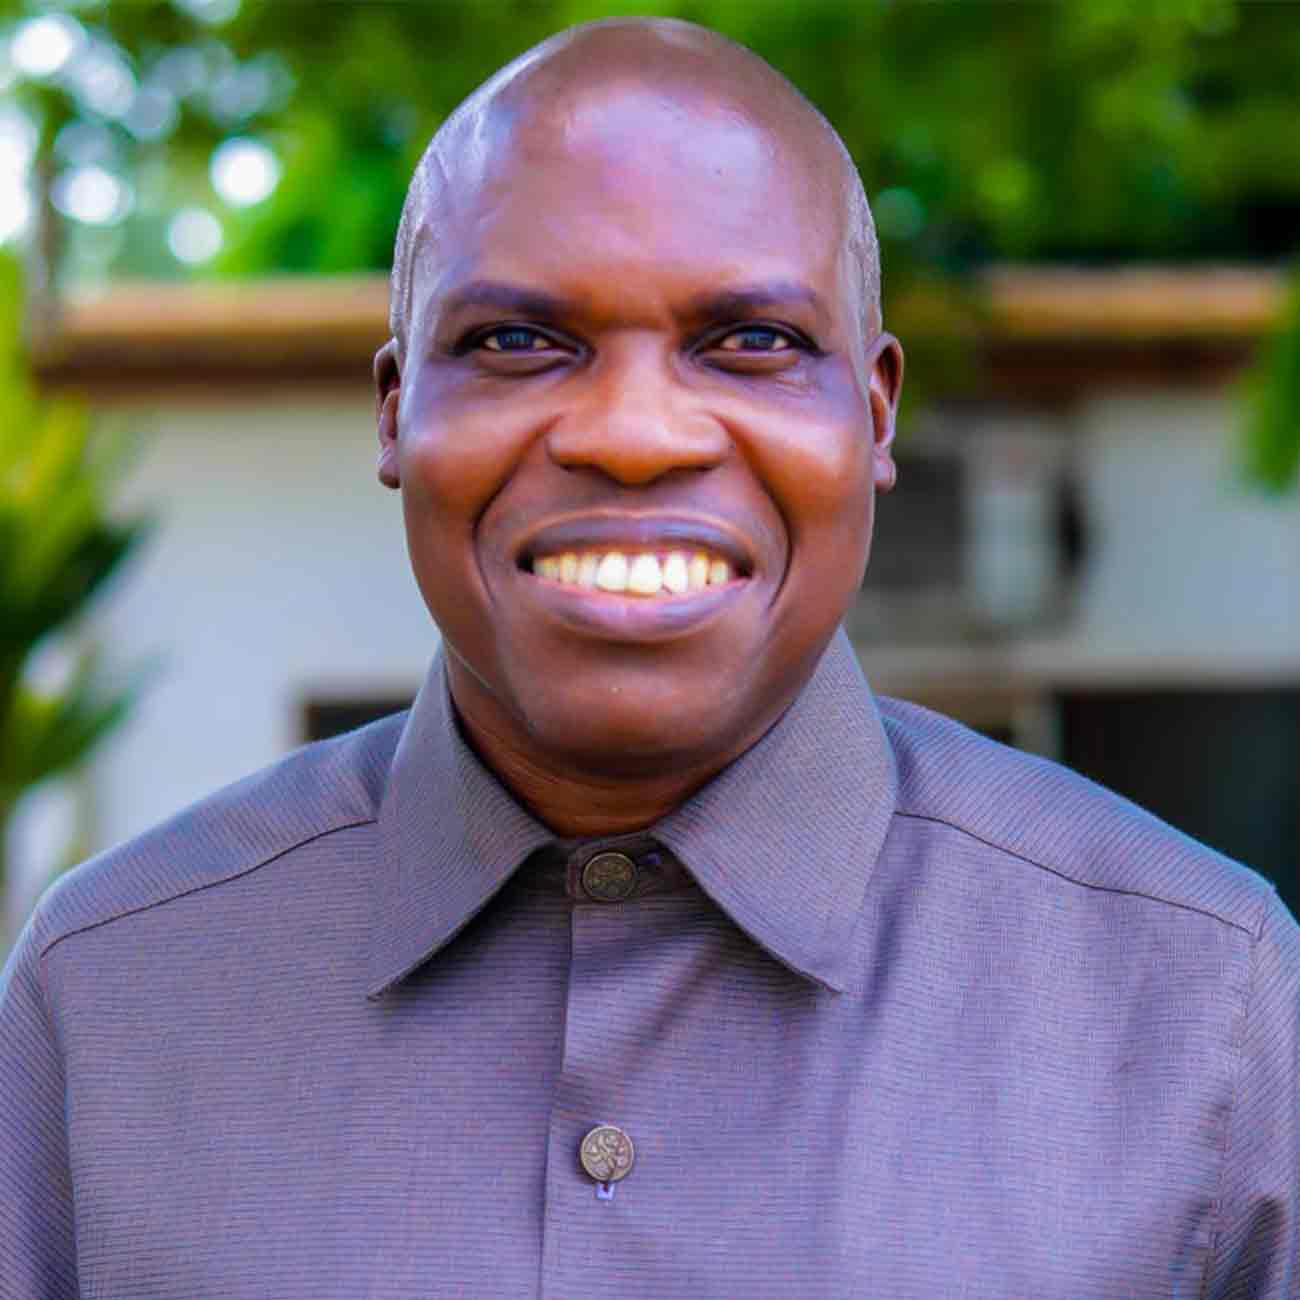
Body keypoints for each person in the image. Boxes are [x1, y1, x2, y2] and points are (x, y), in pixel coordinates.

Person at [2, 17, 1297, 1299]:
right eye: (517, 342)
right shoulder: (108, 1001)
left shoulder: (1209, 1011)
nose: (632, 436)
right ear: (395, 411)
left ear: (875, 413)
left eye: (753, 343)